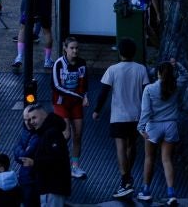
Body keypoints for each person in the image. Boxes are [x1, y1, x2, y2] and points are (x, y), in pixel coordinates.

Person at [92, 37, 150, 200]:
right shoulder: (141, 69)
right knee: (132, 146)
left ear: (120, 52)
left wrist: (97, 110)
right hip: (137, 115)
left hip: (118, 115)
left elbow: (104, 92)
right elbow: (147, 91)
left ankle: (125, 180)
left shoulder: (113, 70)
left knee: (120, 147)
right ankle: (128, 176)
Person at [138, 61, 180, 207]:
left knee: (149, 158)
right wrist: (177, 65)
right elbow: (186, 75)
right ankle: (171, 193)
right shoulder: (175, 86)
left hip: (154, 126)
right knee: (167, 159)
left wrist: (141, 127)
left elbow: (146, 111)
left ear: (159, 73)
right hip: (171, 125)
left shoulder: (149, 89)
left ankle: (145, 191)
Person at [17, 102, 71, 207]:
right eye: (30, 119)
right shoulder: (46, 133)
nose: (31, 122)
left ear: (44, 116)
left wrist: (34, 162)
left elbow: (57, 159)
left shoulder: (51, 133)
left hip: (52, 187)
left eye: (34, 118)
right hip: (49, 187)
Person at [50, 37, 88, 179]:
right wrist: (78, 96)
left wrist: (85, 95)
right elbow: (56, 86)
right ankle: (54, 160)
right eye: (72, 48)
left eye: (77, 48)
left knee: (78, 135)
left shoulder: (82, 63)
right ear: (65, 49)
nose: (75, 51)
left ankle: (75, 167)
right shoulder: (59, 64)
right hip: (61, 103)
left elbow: (85, 83)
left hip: (76, 103)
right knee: (66, 134)